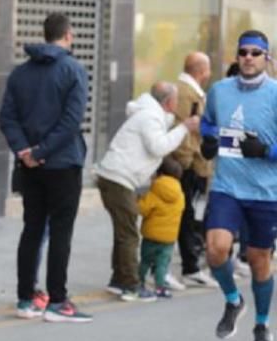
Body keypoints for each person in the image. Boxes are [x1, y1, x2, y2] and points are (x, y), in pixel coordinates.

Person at [0, 12, 91, 322]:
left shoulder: (20, 73)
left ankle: (25, 299)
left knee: (32, 228)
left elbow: (7, 118)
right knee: (61, 231)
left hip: (30, 166)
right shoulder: (74, 70)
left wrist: (26, 151)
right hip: (63, 163)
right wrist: (43, 151)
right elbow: (71, 121)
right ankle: (57, 301)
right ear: (68, 35)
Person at [199, 30, 277, 341]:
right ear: (237, 57)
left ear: (266, 58)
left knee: (260, 260)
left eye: (255, 52)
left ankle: (261, 325)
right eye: (243, 51)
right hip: (226, 186)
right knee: (216, 248)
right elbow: (207, 123)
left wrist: (266, 151)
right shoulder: (219, 90)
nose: (248, 57)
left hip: (266, 192)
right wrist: (208, 139)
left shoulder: (275, 93)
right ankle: (233, 300)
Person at [93, 81, 198, 302]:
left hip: (116, 178)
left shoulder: (151, 115)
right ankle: (131, 285)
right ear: (169, 102)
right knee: (129, 234)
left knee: (124, 232)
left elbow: (162, 127)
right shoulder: (150, 117)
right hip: (118, 179)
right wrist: (184, 128)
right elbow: (158, 147)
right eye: (176, 100)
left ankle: (119, 280)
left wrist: (180, 123)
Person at [173, 52, 217, 288]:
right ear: (201, 71)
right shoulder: (186, 93)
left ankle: (193, 263)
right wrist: (188, 161)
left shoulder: (190, 92)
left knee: (193, 216)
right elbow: (185, 131)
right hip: (189, 166)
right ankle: (190, 266)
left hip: (196, 165)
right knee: (187, 216)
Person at [138, 157, 185, 298]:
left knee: (145, 260)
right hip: (169, 237)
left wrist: (139, 199)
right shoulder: (180, 194)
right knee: (162, 264)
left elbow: (143, 209)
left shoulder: (154, 191)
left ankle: (139, 282)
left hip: (151, 235)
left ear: (159, 173)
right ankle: (160, 288)